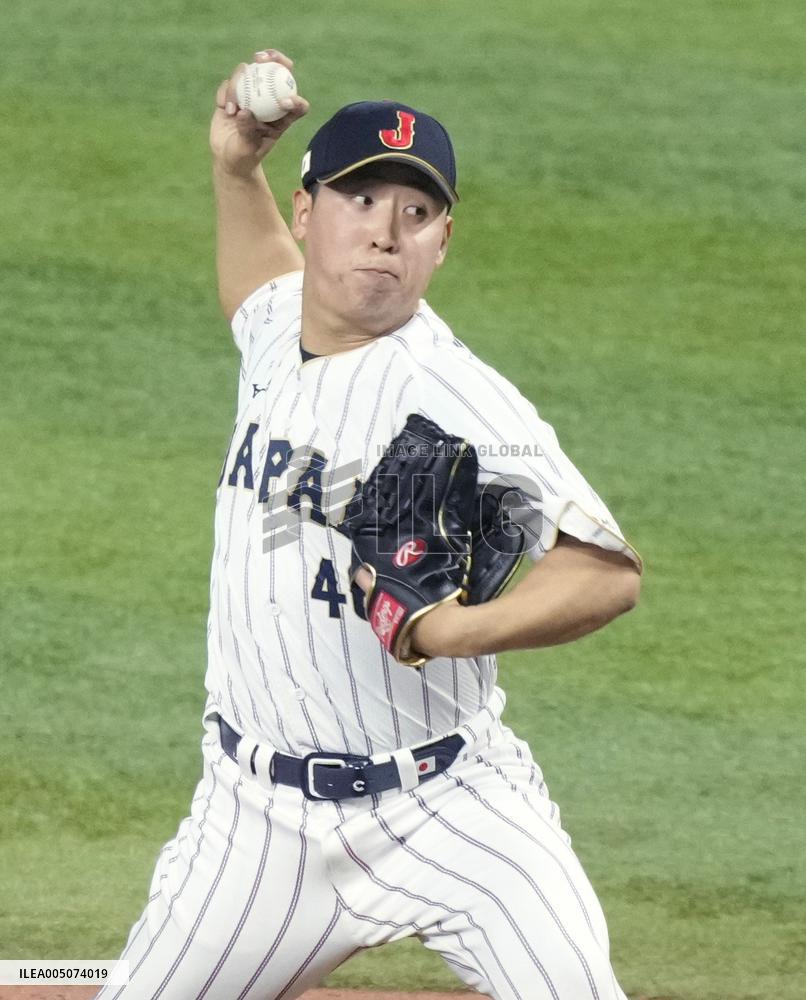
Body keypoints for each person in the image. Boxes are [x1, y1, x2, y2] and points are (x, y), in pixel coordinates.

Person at [100, 46, 642, 1000]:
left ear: (442, 242)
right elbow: (258, 287)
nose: (386, 233)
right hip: (254, 823)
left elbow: (607, 572)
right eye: (359, 199)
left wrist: (448, 631)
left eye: (416, 213)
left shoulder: (458, 394)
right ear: (307, 214)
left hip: (451, 807)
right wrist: (235, 167)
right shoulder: (280, 327)